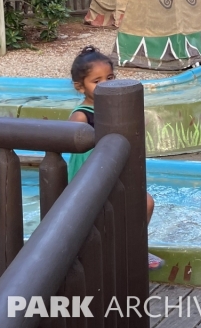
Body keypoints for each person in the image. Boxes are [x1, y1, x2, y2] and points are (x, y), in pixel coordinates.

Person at [66, 46, 162, 269]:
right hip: (90, 180)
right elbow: (67, 138)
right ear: (80, 87)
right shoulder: (82, 116)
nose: (106, 84)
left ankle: (135, 248)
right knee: (97, 221)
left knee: (145, 203)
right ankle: (104, 255)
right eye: (96, 81)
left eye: (109, 77)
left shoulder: (117, 107)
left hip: (115, 176)